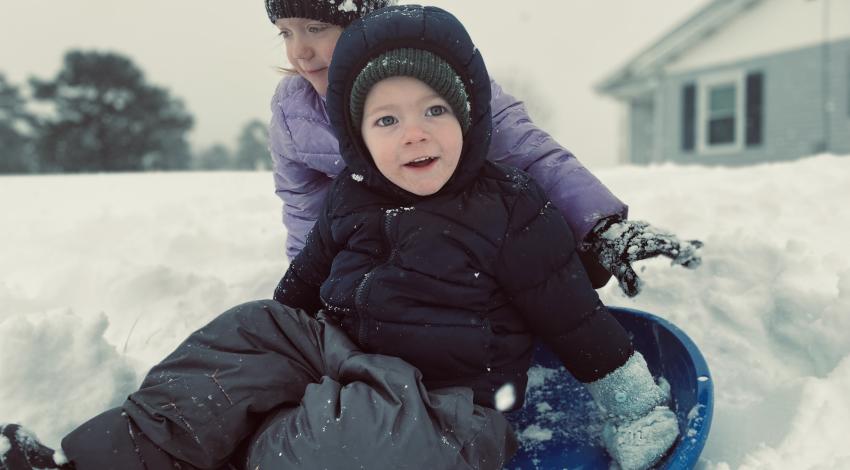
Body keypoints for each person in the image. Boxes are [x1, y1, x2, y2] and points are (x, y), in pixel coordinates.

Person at [1, 5, 684, 470]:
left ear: (470, 119)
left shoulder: (510, 208)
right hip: (343, 357)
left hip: (443, 405)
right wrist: (272, 354)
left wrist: (635, 411)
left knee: (359, 440)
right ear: (356, 135)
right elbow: (301, 286)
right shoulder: (351, 195)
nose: (412, 134)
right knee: (247, 332)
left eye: (434, 111)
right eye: (386, 121)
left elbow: (576, 321)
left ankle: (247, 451)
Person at [265, 0, 703, 297]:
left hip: (470, 247)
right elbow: (305, 208)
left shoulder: (436, 78)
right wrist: (309, 291)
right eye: (285, 33)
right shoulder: (293, 112)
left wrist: (600, 227)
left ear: (364, 21)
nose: (299, 51)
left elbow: (530, 153)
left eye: (315, 28)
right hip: (387, 264)